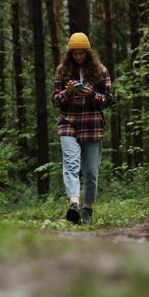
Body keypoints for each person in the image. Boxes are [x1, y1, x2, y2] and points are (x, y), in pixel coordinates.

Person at [51, 32, 113, 225]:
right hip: (68, 123)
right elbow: (55, 100)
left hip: (92, 125)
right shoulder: (62, 70)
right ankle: (74, 205)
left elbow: (107, 101)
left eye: (82, 53)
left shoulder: (101, 71)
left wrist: (92, 94)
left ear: (88, 52)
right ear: (70, 53)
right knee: (71, 164)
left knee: (91, 171)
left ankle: (87, 209)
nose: (78, 57)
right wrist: (68, 92)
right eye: (75, 53)